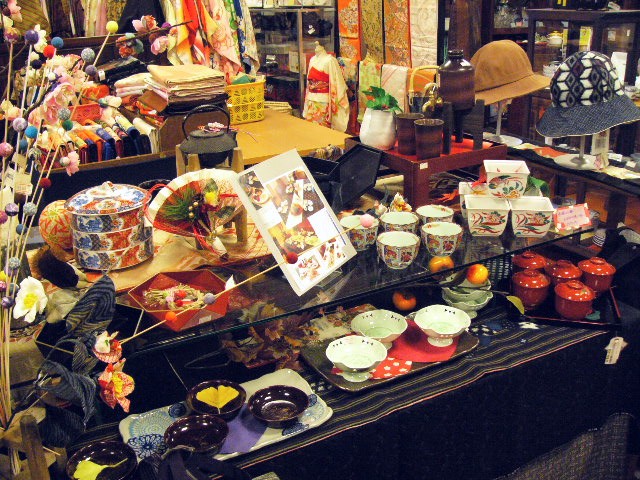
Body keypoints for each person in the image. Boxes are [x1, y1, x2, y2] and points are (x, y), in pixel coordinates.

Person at [302, 42, 349, 132]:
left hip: (323, 100)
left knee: (322, 129)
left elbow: (337, 81)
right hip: (311, 99)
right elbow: (309, 83)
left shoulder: (330, 60)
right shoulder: (312, 59)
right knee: (310, 129)